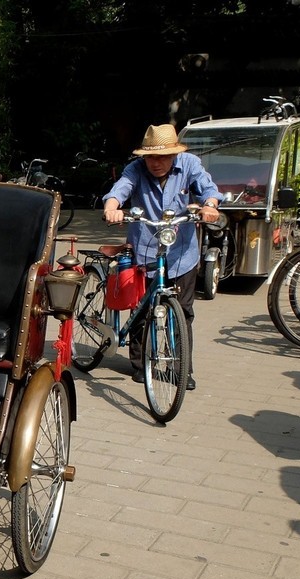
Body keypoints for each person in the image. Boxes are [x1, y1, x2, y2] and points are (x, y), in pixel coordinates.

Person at [102, 123, 222, 390]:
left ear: (175, 154)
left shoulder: (190, 164)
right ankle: (140, 363)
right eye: (150, 157)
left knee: (183, 311)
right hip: (145, 248)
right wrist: (113, 207)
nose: (155, 163)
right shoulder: (135, 169)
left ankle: (181, 368)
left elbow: (207, 188)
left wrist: (210, 206)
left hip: (181, 252)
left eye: (162, 156)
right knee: (142, 309)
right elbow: (121, 188)